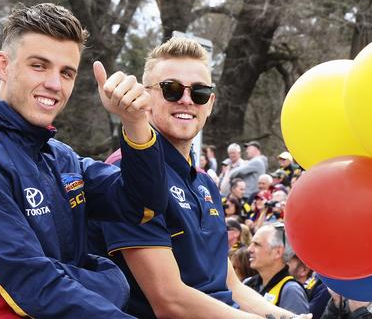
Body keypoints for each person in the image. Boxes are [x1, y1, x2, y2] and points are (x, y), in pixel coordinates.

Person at [0, 3, 168, 318]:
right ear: (3, 66)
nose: (55, 84)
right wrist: (107, 283)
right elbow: (36, 288)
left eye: (66, 72)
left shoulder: (57, 155)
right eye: (39, 65)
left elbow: (144, 207)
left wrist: (135, 123)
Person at [92, 38, 307, 319]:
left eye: (200, 93)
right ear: (145, 96)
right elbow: (169, 301)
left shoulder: (205, 181)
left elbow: (230, 284)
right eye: (170, 89)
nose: (186, 99)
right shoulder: (127, 171)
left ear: (210, 103)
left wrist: (285, 316)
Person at [245, 223, 310, 314]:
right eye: (251, 244)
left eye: (257, 244)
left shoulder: (291, 291)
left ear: (278, 252)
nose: (249, 249)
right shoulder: (248, 283)